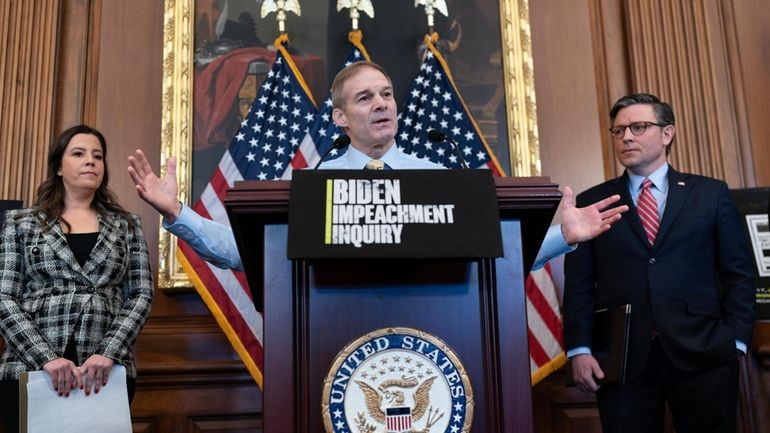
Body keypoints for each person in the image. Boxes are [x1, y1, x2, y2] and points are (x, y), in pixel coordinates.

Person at [128, 61, 628, 271]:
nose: (382, 103)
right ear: (341, 118)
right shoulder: (314, 185)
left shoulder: (438, 179)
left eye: (387, 94)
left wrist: (562, 236)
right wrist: (177, 213)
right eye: (365, 98)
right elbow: (243, 254)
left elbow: (493, 256)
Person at [563, 93, 755, 433]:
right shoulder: (594, 201)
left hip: (704, 351)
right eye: (619, 130)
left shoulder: (710, 194)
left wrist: (736, 339)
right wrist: (579, 348)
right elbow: (579, 282)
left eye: (638, 127)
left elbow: (738, 273)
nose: (626, 137)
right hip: (621, 356)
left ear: (667, 134)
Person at [0, 125, 153, 433]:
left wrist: (108, 352)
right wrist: (46, 358)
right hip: (31, 370)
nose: (91, 161)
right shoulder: (21, 223)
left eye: (98, 156)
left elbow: (141, 295)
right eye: (79, 154)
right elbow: (4, 297)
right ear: (59, 166)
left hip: (104, 374)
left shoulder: (126, 225)